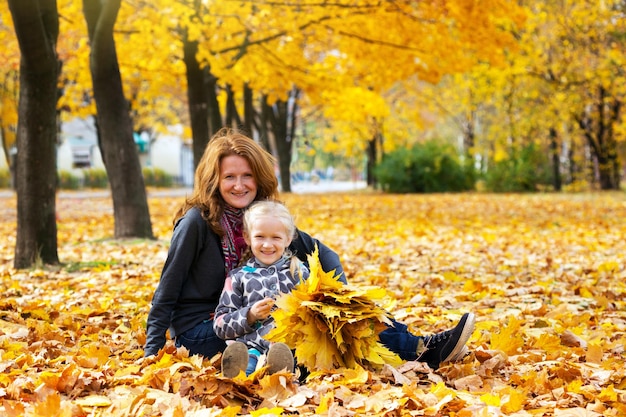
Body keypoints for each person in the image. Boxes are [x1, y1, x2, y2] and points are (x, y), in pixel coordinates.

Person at [144, 128, 475, 372]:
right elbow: (166, 291)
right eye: (229, 176)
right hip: (206, 327)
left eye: (247, 175)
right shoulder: (196, 223)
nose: (239, 184)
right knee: (308, 331)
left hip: (259, 320)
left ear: (259, 177)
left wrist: (341, 299)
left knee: (340, 315)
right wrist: (152, 353)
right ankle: (417, 350)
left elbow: (323, 253)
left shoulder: (263, 219)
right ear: (213, 179)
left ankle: (421, 345)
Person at [213, 200, 307, 377]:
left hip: (290, 347)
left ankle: (280, 376)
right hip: (251, 349)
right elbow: (220, 324)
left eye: (276, 237)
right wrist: (249, 315)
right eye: (260, 237)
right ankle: (239, 379)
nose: (267, 244)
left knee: (287, 359)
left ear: (288, 239)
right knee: (246, 367)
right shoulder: (238, 277)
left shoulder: (299, 273)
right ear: (248, 237)